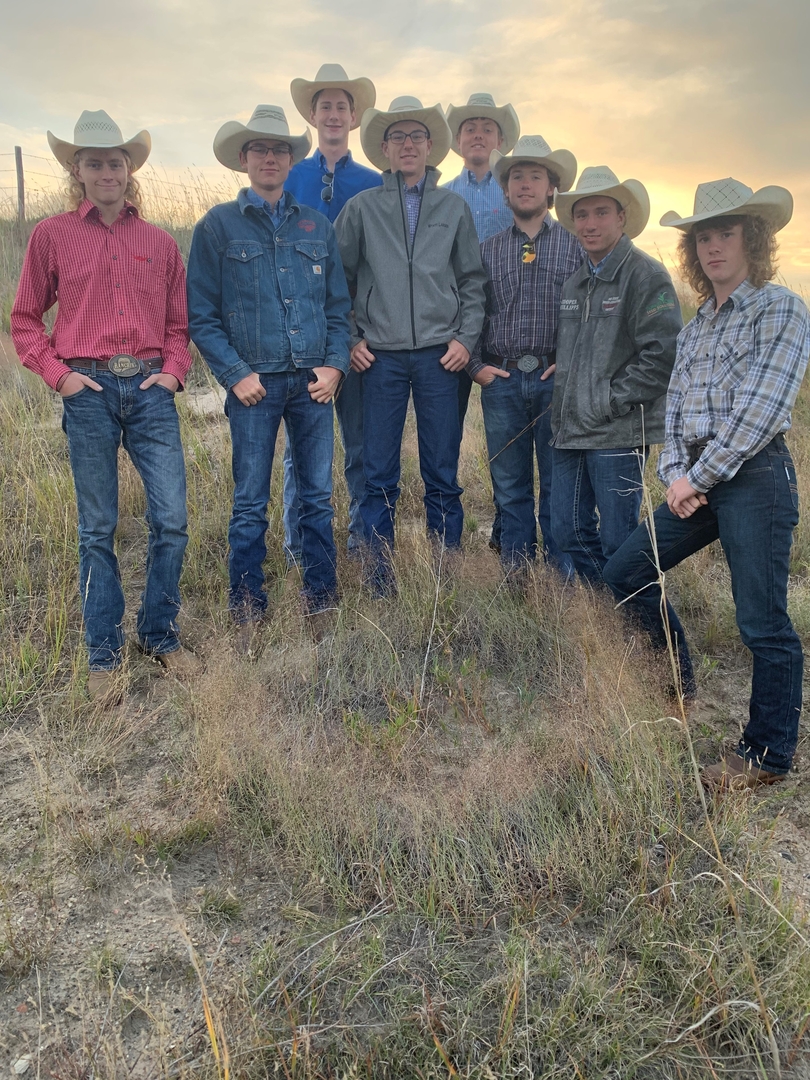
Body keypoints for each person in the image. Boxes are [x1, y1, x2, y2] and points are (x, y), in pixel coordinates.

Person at [603, 178, 809, 790]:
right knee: (624, 573)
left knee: (762, 621)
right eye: (705, 238)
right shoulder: (697, 329)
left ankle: (767, 754)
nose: (714, 247)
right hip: (695, 480)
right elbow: (675, 412)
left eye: (727, 234)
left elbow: (761, 410)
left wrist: (697, 476)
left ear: (754, 240)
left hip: (755, 478)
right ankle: (677, 686)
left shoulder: (780, 308)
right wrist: (674, 476)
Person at [11, 109, 198, 702]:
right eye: (94, 161)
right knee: (99, 527)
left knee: (170, 518)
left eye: (115, 161)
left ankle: (159, 635)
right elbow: (23, 319)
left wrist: (172, 373)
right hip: (86, 389)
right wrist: (58, 376)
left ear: (129, 169)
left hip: (148, 390)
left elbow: (178, 323)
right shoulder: (51, 235)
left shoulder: (161, 242)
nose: (106, 170)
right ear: (77, 169)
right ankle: (103, 654)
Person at [186, 105, 351, 638]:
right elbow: (202, 316)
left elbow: (337, 309)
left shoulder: (315, 225)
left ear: (290, 159)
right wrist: (235, 374)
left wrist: (335, 366)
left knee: (316, 496)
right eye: (260, 148)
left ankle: (320, 598)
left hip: (311, 385)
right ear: (244, 158)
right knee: (251, 499)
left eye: (280, 149)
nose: (271, 157)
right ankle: (248, 605)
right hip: (253, 386)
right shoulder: (216, 226)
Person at [335, 96, 486, 596]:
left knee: (442, 468)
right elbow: (338, 282)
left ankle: (446, 577)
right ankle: (380, 578)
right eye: (397, 137)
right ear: (383, 148)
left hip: (441, 358)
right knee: (379, 471)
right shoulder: (362, 208)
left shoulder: (452, 207)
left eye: (416, 136)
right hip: (379, 358)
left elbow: (471, 280)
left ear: (430, 147)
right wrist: (353, 338)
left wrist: (465, 338)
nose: (407, 144)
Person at [551, 166, 682, 580]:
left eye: (601, 213)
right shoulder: (574, 284)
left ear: (622, 217)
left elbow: (662, 355)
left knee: (618, 538)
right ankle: (607, 613)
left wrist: (608, 400)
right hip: (570, 430)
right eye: (583, 214)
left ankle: (639, 626)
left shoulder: (645, 275)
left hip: (618, 430)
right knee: (567, 531)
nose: (590, 224)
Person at [466, 135, 582, 573]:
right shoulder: (489, 250)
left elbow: (588, 315)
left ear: (552, 188)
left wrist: (570, 363)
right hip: (504, 381)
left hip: (556, 379)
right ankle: (516, 576)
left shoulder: (574, 247)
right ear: (506, 189)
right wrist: (477, 367)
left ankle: (558, 579)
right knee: (510, 485)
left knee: (558, 482)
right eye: (518, 177)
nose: (526, 184)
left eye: (536, 176)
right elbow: (472, 310)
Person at [283, 64, 382, 563]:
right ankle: (300, 547)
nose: (334, 114)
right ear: (313, 114)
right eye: (325, 106)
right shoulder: (291, 176)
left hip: (359, 334)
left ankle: (365, 544)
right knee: (300, 447)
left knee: (362, 444)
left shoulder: (373, 182)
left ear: (354, 116)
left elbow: (379, 262)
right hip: (301, 333)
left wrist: (359, 333)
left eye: (342, 106)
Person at [443, 92, 521, 545]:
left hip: (507, 328)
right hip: (453, 330)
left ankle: (505, 529)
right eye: (470, 127)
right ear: (456, 141)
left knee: (507, 439)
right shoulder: (442, 196)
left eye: (487, 127)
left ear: (501, 139)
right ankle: (448, 528)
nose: (478, 133)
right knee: (446, 432)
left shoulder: (513, 192)